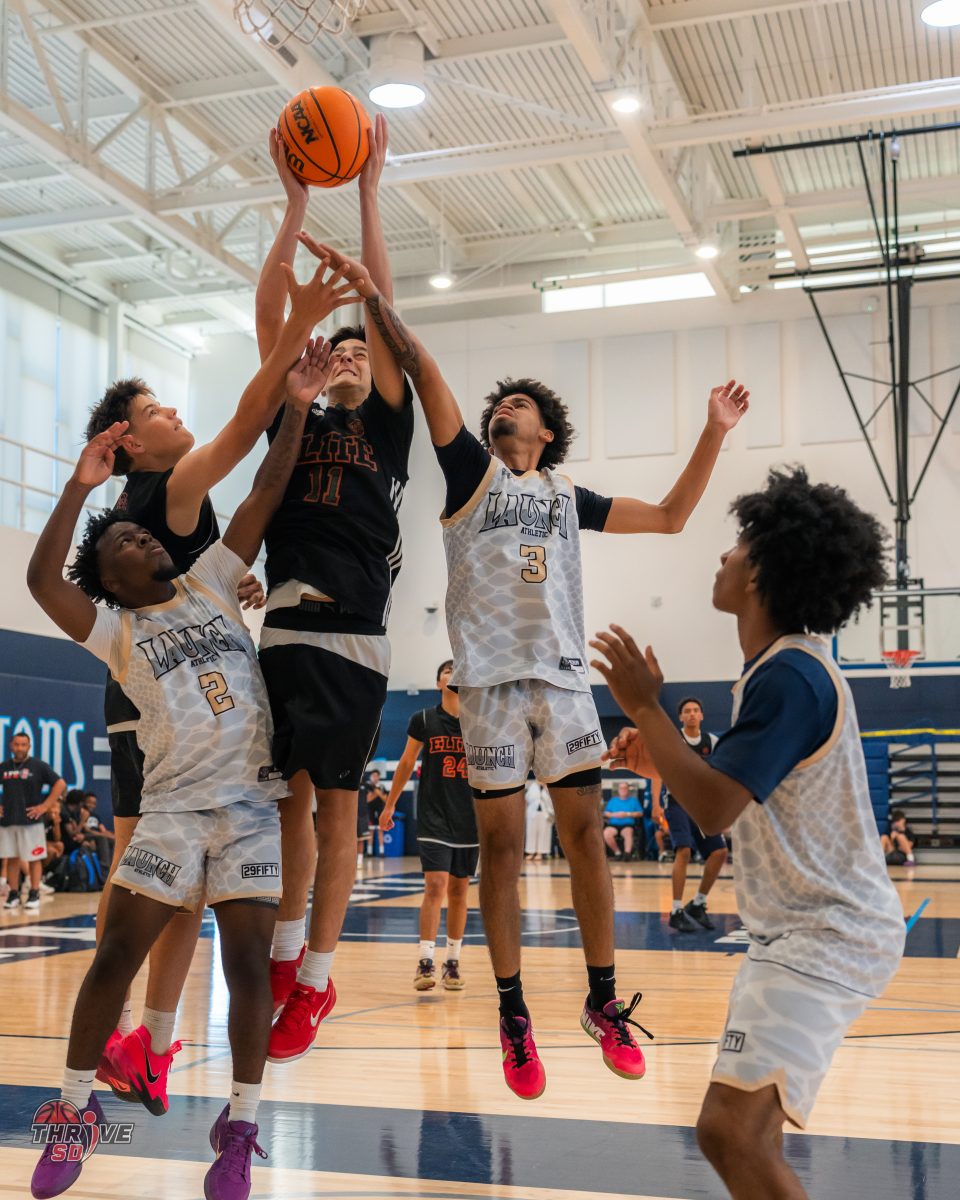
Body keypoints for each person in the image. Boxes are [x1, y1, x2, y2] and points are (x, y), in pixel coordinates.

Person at [332, 245, 748, 1099]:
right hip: (486, 686)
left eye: (518, 404)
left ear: (546, 433)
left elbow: (672, 516)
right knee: (498, 850)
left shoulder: (566, 496)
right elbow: (423, 367)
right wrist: (378, 298)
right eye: (498, 404)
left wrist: (713, 431)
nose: (503, 408)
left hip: (561, 682)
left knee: (584, 835)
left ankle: (601, 999)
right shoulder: (470, 473)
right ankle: (513, 1013)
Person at [26, 319, 330, 1200]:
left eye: (145, 538)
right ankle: (74, 1111)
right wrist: (78, 489)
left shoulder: (212, 580)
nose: (148, 542)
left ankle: (240, 1128)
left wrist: (297, 407)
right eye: (129, 545)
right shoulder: (115, 631)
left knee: (246, 970)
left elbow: (266, 489)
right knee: (113, 955)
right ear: (110, 578)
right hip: (169, 812)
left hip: (249, 811)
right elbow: (42, 584)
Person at [77, 254, 354, 1110]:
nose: (171, 411)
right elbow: (247, 424)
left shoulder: (157, 522)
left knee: (178, 881)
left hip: (170, 689)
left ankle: (149, 1042)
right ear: (129, 441)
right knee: (148, 869)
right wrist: (294, 352)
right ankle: (137, 1030)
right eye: (154, 410)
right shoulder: (163, 487)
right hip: (157, 701)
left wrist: (232, 591)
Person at [593, 466, 906, 1200]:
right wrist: (659, 761)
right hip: (798, 934)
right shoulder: (779, 671)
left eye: (736, 546)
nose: (722, 556)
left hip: (827, 934)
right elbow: (736, 789)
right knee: (743, 1133)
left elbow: (714, 810)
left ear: (762, 571)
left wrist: (645, 708)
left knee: (730, 1132)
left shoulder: (790, 675)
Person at [256, 117, 416, 1067]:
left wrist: (367, 192)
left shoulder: (388, 430)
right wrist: (294, 202)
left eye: (361, 353)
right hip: (282, 625)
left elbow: (385, 318)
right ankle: (284, 955)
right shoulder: (298, 414)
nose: (351, 355)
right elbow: (272, 307)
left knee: (338, 811)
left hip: (356, 632)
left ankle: (317, 976)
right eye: (341, 351)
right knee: (289, 805)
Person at [381, 659, 479, 991]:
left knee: (460, 892)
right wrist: (390, 804)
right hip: (434, 816)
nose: (452, 674)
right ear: (438, 683)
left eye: (457, 670)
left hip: (470, 819)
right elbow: (406, 762)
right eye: (447, 671)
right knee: (435, 886)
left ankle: (452, 962)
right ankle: (425, 961)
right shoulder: (423, 719)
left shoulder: (478, 722)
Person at [660, 697, 727, 932]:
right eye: (687, 711)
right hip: (677, 800)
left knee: (719, 852)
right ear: (680, 717)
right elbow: (658, 769)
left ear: (702, 715)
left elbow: (720, 774)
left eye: (695, 710)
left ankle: (698, 903)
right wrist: (656, 805)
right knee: (684, 850)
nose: (691, 714)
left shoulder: (712, 742)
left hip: (701, 804)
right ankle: (676, 910)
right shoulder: (673, 739)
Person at [0, 733, 66, 912]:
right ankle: (13, 894)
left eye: (23, 744)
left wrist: (45, 806)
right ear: (11, 746)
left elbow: (60, 784)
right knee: (12, 858)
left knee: (34, 858)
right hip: (8, 822)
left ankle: (34, 892)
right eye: (17, 744)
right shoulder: (4, 767)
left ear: (29, 746)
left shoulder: (38, 766)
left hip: (31, 822)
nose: (20, 748)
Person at [602, 781, 644, 861]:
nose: (623, 790)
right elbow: (606, 813)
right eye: (621, 788)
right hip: (613, 824)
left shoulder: (634, 801)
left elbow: (640, 813)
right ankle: (617, 853)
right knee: (606, 833)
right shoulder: (613, 800)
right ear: (618, 790)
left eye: (625, 788)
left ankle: (627, 854)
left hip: (627, 824)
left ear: (628, 789)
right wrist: (615, 815)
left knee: (628, 832)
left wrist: (627, 814)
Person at [524, 779, 554, 862]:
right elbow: (528, 798)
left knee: (543, 833)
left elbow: (551, 800)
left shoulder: (548, 788)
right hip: (533, 813)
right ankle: (531, 852)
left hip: (545, 814)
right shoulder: (532, 787)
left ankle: (540, 853)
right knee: (531, 833)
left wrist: (545, 789)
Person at [365, 769, 388, 856]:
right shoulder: (367, 786)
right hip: (370, 812)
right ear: (370, 777)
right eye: (373, 776)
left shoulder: (382, 787)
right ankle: (369, 852)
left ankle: (382, 852)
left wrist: (376, 792)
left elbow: (385, 799)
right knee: (370, 831)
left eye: (377, 776)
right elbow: (367, 799)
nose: (375, 778)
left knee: (380, 831)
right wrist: (377, 792)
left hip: (380, 812)